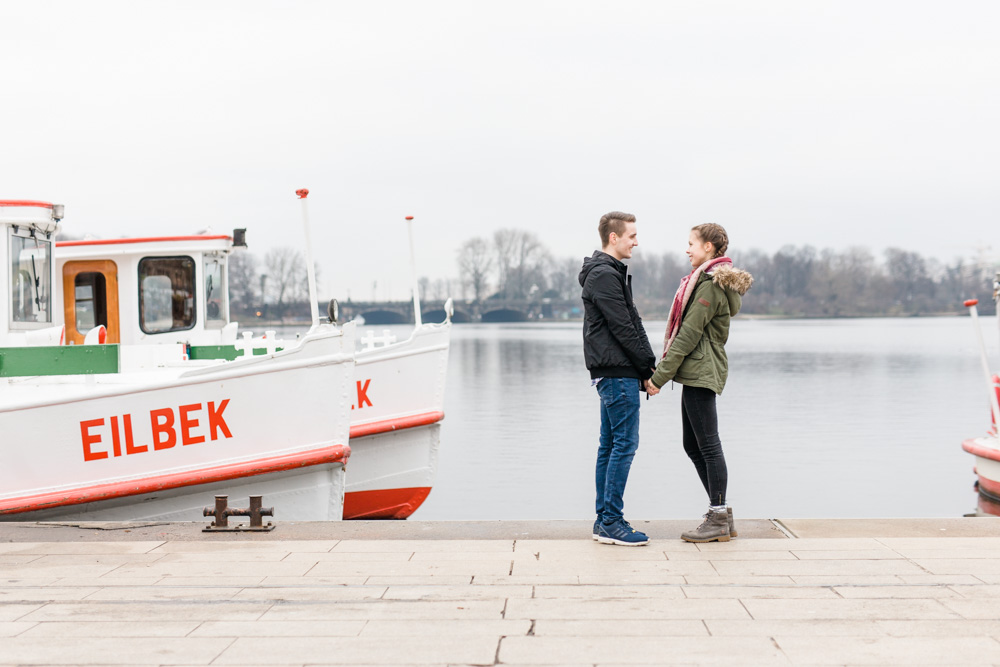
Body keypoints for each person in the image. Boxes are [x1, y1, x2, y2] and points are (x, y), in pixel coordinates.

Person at [646, 223, 753, 543]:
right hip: (700, 369)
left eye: (692, 243)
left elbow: (689, 335)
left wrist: (659, 377)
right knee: (694, 444)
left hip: (701, 370)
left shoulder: (708, 285)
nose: (687, 249)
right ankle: (721, 514)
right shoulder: (708, 281)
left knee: (706, 445)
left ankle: (718, 515)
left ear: (709, 247)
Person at [579, 211, 657, 546]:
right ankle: (610, 520)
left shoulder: (609, 273)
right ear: (614, 237)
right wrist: (646, 370)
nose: (636, 242)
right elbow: (623, 327)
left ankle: (604, 520)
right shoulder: (604, 275)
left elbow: (632, 321)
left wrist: (648, 365)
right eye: (632, 236)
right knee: (623, 445)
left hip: (615, 371)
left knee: (610, 445)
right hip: (616, 372)